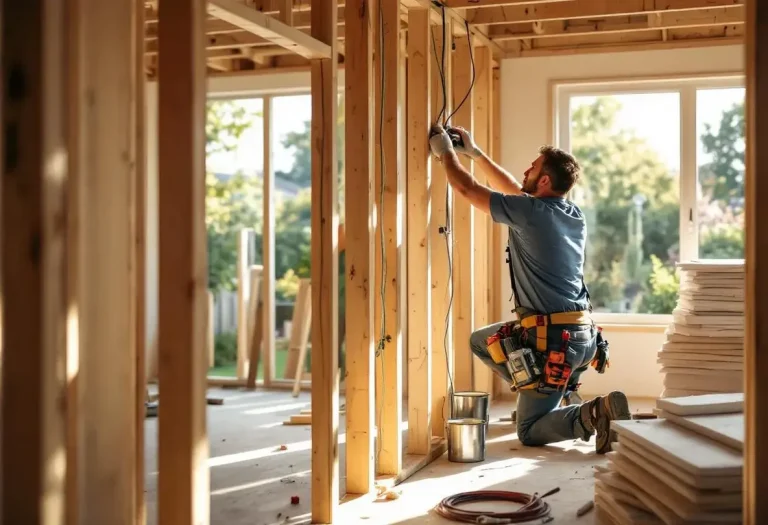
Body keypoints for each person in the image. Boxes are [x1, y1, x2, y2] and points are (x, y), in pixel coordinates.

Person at [428, 125, 631, 454]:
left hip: (554, 343)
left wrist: (445, 154)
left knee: (529, 430)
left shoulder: (530, 212)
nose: (525, 170)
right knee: (483, 341)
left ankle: (592, 413)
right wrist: (476, 153)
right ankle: (552, 393)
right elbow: (513, 189)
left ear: (546, 180)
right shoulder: (571, 213)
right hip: (584, 338)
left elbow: (466, 189)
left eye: (533, 168)